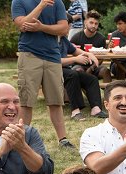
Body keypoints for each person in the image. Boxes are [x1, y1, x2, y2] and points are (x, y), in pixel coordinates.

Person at [11, 0, 75, 149]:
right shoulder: (19, 1)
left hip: (53, 56)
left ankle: (63, 139)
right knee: (26, 101)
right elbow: (22, 25)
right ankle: (21, 139)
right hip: (29, 55)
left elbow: (64, 28)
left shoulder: (56, 2)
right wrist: (41, 5)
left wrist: (41, 27)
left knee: (56, 101)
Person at [60, 34, 108, 121]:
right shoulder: (49, 40)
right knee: (73, 75)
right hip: (53, 70)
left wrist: (89, 54)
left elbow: (75, 50)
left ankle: (96, 109)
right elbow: (52, 60)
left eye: (69, 26)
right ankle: (75, 111)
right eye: (67, 26)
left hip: (66, 69)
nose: (67, 30)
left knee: (91, 79)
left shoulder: (63, 40)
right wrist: (74, 59)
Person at [69, 9, 111, 83]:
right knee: (77, 70)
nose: (93, 26)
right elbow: (70, 54)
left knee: (106, 71)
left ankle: (109, 93)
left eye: (96, 24)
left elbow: (101, 58)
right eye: (91, 23)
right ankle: (81, 93)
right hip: (79, 65)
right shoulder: (76, 37)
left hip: (95, 66)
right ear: (85, 22)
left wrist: (91, 68)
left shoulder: (101, 38)